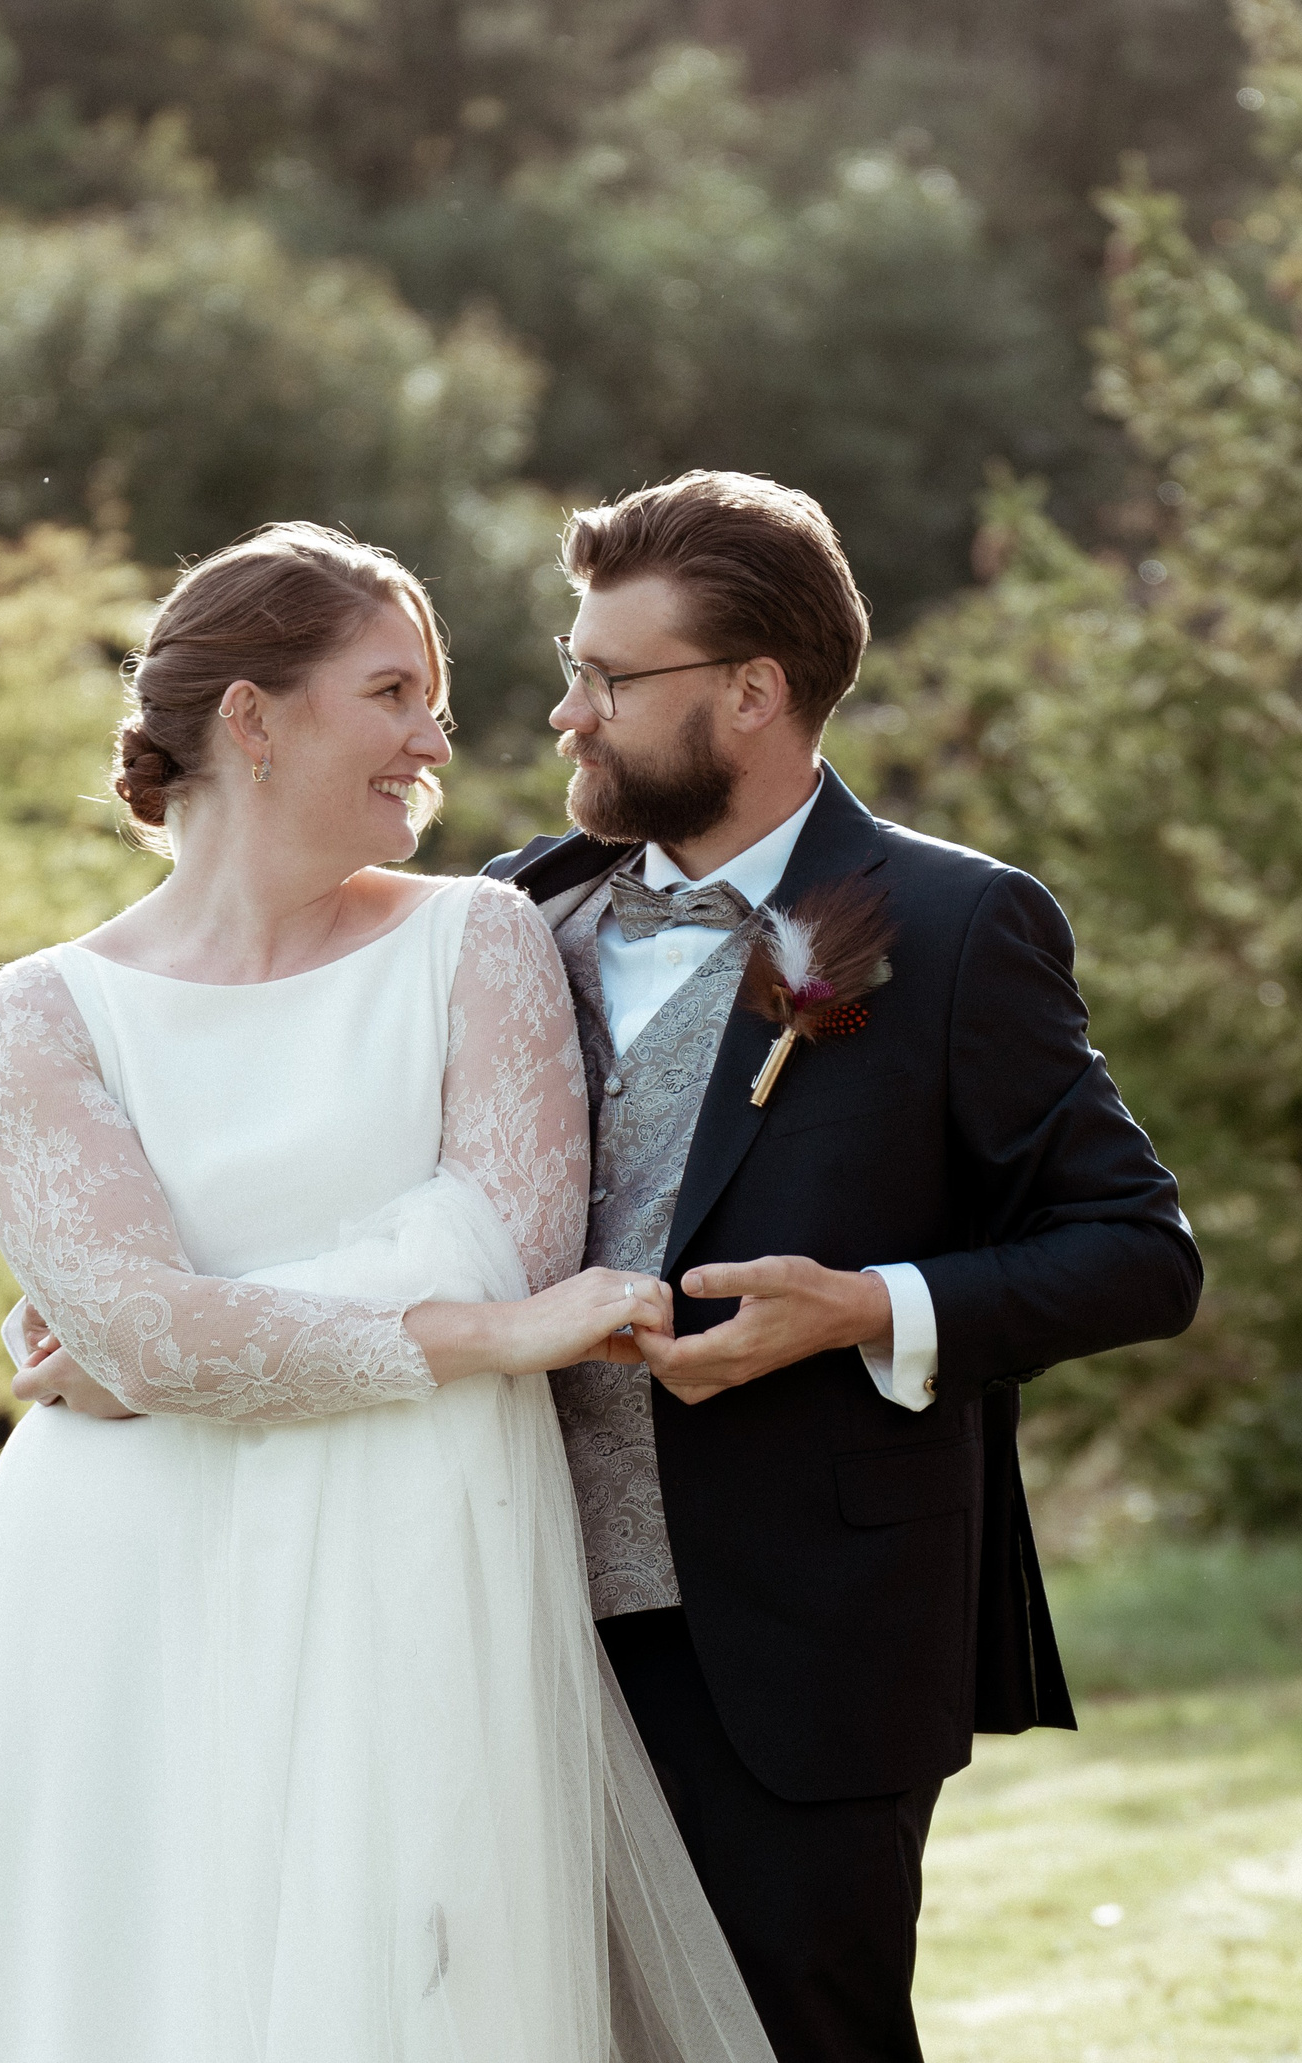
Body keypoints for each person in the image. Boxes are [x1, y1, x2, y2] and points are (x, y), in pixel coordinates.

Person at [0, 522, 776, 2063]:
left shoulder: (477, 941)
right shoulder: (45, 1013)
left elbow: (494, 1244)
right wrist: (458, 1335)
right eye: (392, 692)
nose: (435, 740)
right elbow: (186, 1326)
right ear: (253, 715)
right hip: (113, 1595)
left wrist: (174, 1341)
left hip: (411, 1567)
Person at [487, 470, 1203, 2063]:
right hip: (502, 1611)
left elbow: (1141, 1255)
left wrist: (870, 1311)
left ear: (751, 694)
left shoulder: (945, 929)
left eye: (608, 679)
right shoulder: (504, 913)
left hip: (794, 1642)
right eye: (574, 667)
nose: (565, 714)